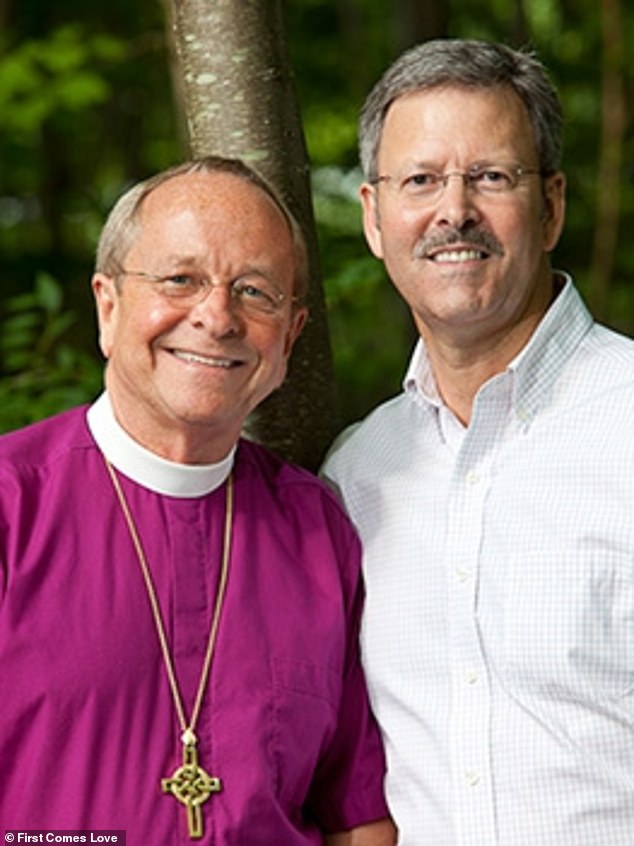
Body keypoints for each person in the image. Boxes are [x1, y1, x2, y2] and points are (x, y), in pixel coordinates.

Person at [0, 155, 396, 846]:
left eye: (255, 292)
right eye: (180, 279)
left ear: (291, 337)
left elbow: (357, 813)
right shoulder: (11, 506)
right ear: (109, 304)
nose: (216, 317)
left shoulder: (318, 529)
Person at [322, 38, 634, 846]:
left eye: (491, 177)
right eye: (420, 180)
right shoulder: (355, 477)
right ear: (373, 218)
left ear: (554, 206)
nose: (452, 210)